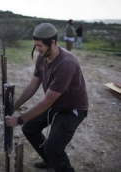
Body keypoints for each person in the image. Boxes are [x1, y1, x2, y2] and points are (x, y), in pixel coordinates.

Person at [5, 23, 88, 172]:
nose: (37, 49)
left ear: (53, 42)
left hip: (71, 109)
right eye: (35, 45)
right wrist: (13, 106)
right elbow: (32, 86)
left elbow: (47, 100)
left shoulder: (66, 63)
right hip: (56, 105)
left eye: (39, 46)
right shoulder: (42, 57)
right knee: (29, 128)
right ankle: (50, 161)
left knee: (53, 147)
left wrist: (19, 119)